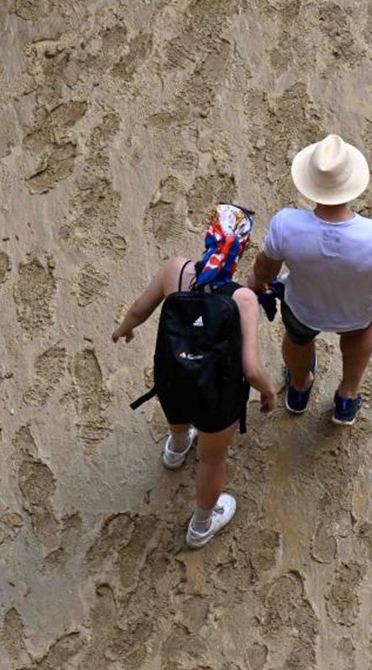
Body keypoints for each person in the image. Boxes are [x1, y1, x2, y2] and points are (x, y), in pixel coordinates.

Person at [112, 204, 275, 548]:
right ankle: (202, 525)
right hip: (217, 394)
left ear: (208, 236)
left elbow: (140, 309)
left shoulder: (176, 270)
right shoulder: (243, 298)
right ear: (240, 249)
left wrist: (124, 329)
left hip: (172, 377)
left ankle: (176, 446)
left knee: (178, 411)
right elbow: (251, 368)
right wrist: (268, 392)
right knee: (212, 459)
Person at [247, 134, 372, 425]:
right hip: (358, 311)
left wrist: (252, 285)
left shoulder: (286, 224)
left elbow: (265, 269)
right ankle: (346, 398)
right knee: (358, 338)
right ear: (352, 185)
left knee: (297, 339)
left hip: (303, 307)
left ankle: (299, 388)